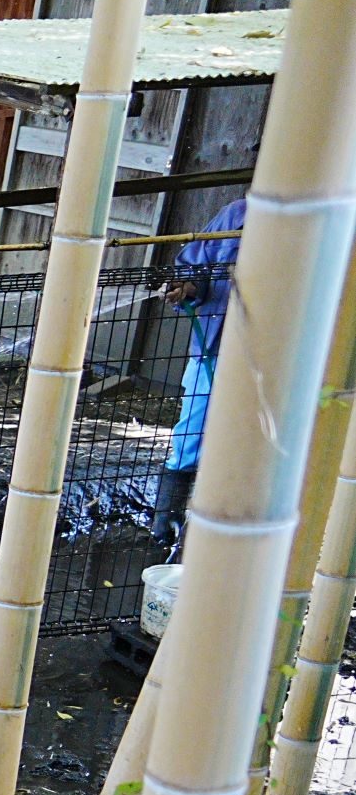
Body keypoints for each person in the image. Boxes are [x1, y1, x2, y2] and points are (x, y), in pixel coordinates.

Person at [153, 197, 245, 551]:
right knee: (191, 431)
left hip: (275, 354)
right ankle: (167, 525)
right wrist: (186, 287)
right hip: (215, 344)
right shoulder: (235, 213)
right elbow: (194, 268)